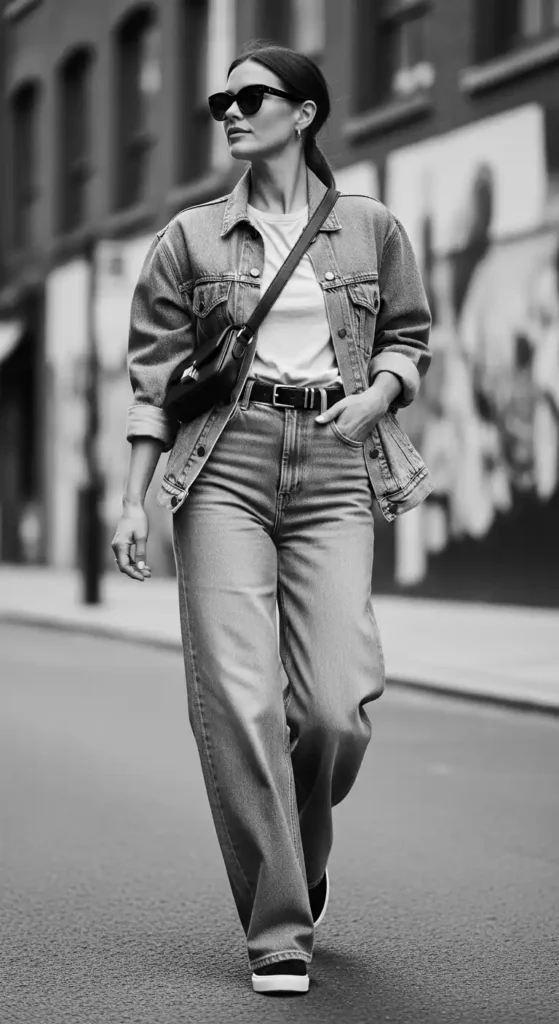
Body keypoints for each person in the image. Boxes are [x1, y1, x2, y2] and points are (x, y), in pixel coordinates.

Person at [112, 42, 432, 996]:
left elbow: (409, 336)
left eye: (251, 97)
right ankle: (277, 925)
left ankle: (299, 852)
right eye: (222, 100)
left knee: (335, 707)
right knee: (239, 703)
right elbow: (154, 384)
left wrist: (379, 392)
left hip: (337, 465)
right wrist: (132, 498)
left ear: (304, 114)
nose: (230, 111)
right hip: (223, 468)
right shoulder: (189, 240)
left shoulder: (371, 228)